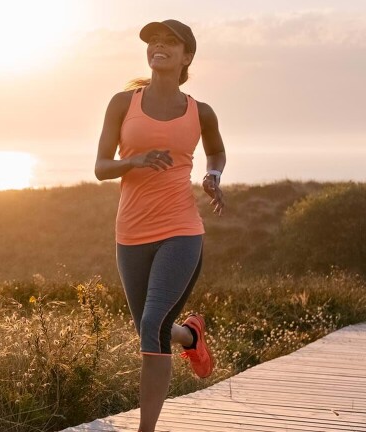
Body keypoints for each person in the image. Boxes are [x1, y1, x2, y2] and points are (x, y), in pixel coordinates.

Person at [94, 19, 227, 432]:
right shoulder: (123, 103)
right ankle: (192, 336)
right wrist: (132, 161)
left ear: (186, 57)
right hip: (130, 234)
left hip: (181, 229)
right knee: (149, 330)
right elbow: (100, 167)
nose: (159, 45)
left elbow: (217, 152)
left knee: (152, 326)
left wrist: (213, 177)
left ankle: (146, 430)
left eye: (170, 42)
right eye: (154, 40)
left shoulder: (199, 112)